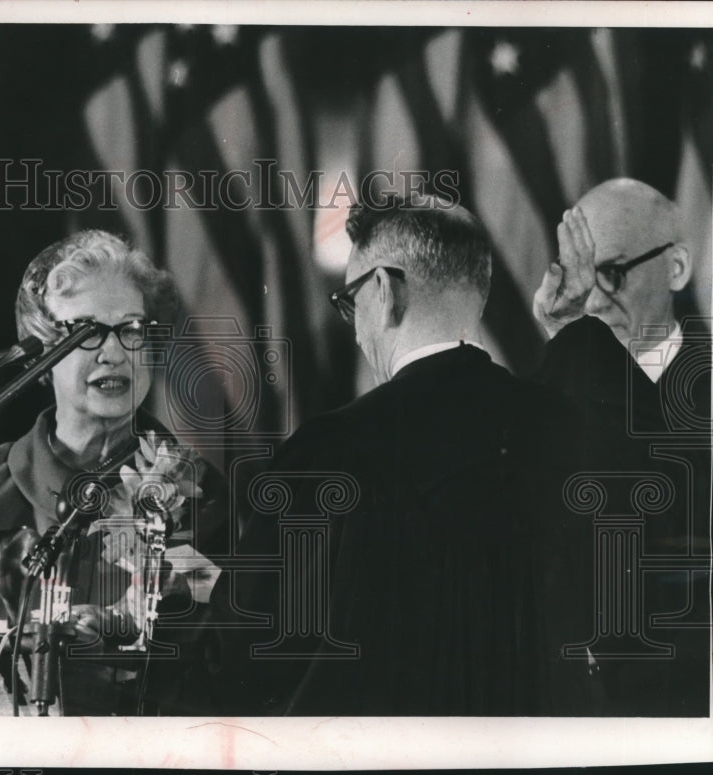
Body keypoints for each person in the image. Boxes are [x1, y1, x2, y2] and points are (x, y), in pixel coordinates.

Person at [208, 196, 604, 716]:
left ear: (382, 290)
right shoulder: (562, 426)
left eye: (349, 302)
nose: (353, 327)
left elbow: (244, 653)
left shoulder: (329, 447)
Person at [0, 230, 227, 715]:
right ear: (41, 358)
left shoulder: (195, 489)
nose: (114, 353)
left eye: (132, 330)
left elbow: (218, 646)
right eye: (86, 332)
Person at [532, 178, 711, 716]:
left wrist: (573, 345)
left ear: (676, 269)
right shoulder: (555, 387)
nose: (591, 297)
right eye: (575, 274)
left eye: (609, 271)